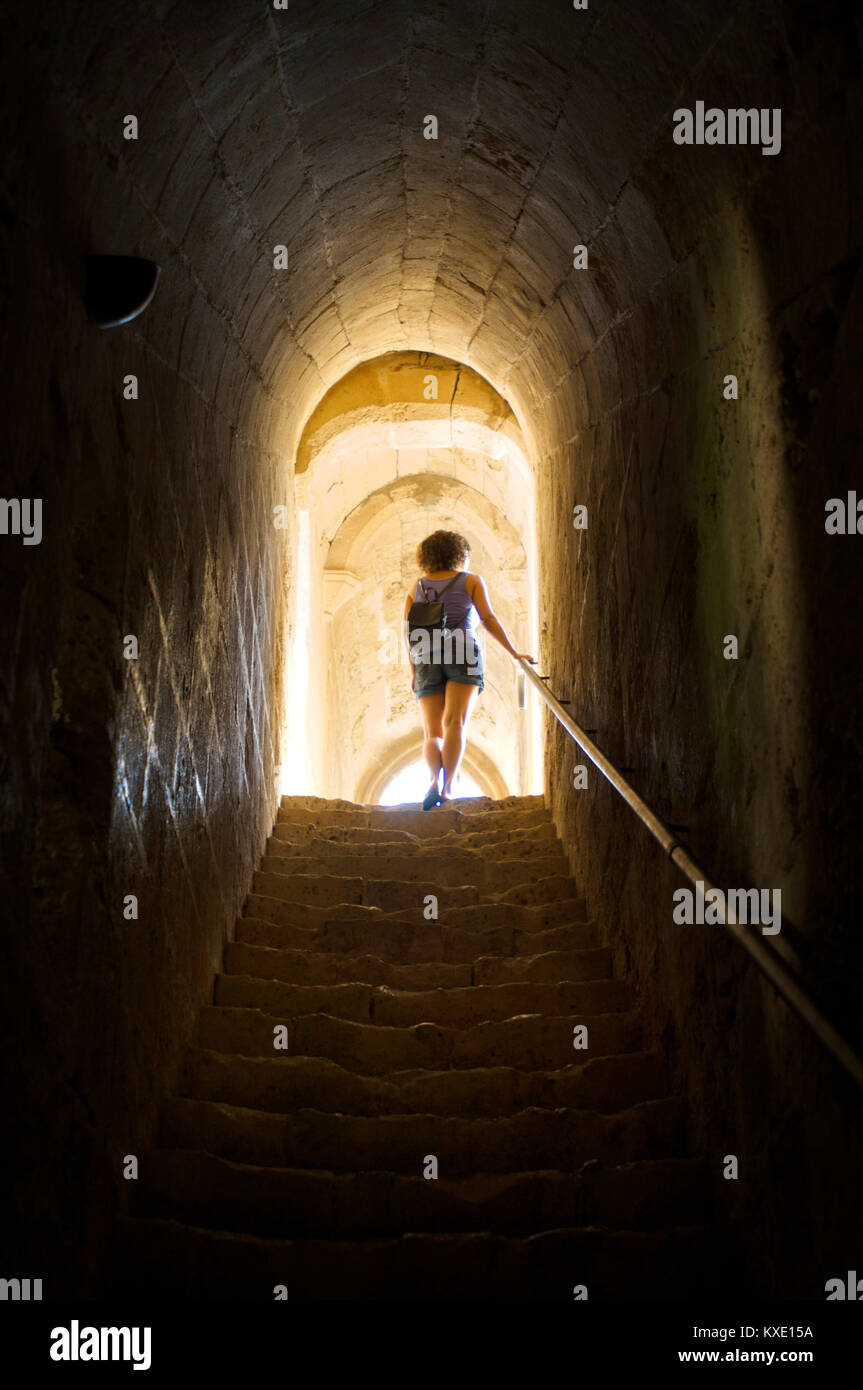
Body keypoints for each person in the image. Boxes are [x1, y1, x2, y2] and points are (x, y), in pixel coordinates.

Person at [403, 529, 535, 809]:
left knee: (432, 732)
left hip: (426, 653)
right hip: (462, 649)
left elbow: (408, 632)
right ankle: (448, 788)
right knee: (455, 723)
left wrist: (414, 671)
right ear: (460, 555)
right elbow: (487, 619)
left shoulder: (416, 588)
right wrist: (513, 654)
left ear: (425, 558)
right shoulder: (471, 581)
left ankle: (432, 782)